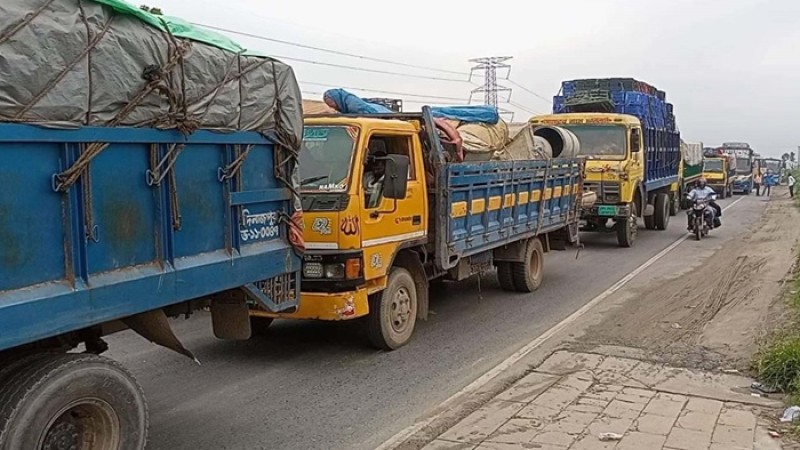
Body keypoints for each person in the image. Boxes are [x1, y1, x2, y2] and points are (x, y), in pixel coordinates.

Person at [363, 140, 387, 209]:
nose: (375, 171)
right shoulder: (367, 176)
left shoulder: (388, 180)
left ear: (386, 167)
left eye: (379, 169)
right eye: (374, 168)